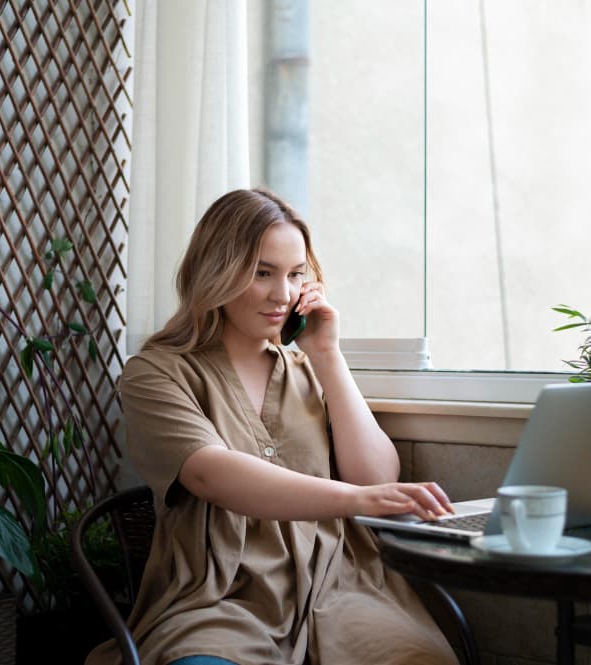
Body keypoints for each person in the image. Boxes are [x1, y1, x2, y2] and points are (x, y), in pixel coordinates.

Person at [87, 188, 460, 665]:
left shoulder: (309, 370)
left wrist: (327, 355)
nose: (283, 294)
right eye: (262, 272)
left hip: (342, 586)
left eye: (295, 274)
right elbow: (209, 473)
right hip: (222, 598)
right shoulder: (156, 373)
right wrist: (357, 501)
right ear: (216, 269)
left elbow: (376, 477)